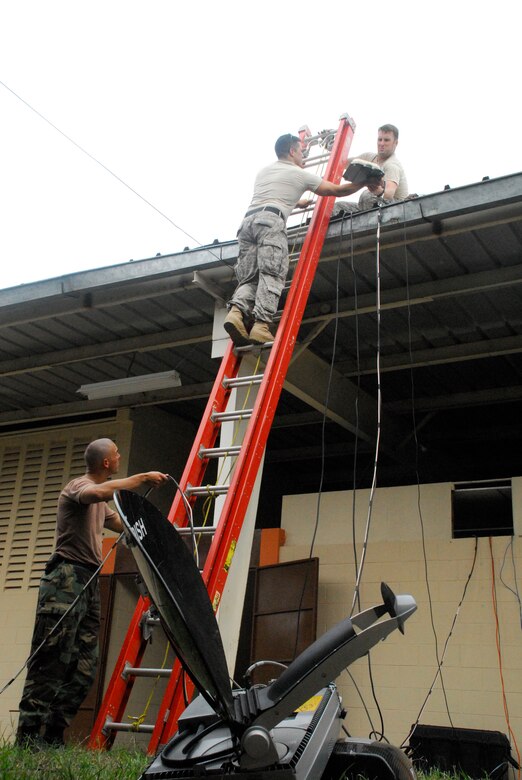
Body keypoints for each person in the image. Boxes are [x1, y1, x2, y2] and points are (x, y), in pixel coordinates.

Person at [16, 438, 169, 747]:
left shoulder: (100, 502)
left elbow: (121, 523)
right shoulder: (79, 488)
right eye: (117, 454)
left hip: (87, 582)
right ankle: (28, 738)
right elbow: (96, 493)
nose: (119, 456)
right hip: (65, 580)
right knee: (51, 660)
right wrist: (140, 479)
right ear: (106, 464)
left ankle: (54, 735)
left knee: (85, 665)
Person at [223, 133, 370, 347]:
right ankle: (261, 326)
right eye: (301, 151)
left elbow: (276, 193)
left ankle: (236, 313)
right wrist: (363, 182)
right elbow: (337, 190)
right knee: (272, 273)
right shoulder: (299, 174)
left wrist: (297, 202)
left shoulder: (264, 171)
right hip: (271, 223)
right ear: (292, 151)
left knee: (250, 278)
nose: (303, 156)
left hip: (247, 225)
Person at [352, 124, 409, 210]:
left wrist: (379, 192)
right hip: (371, 205)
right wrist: (335, 147)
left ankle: (370, 222)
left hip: (396, 208)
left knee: (367, 195)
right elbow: (344, 162)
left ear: (395, 143)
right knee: (337, 207)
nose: (382, 143)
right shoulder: (369, 157)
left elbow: (389, 195)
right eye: (380, 139)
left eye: (386, 140)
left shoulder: (392, 165)